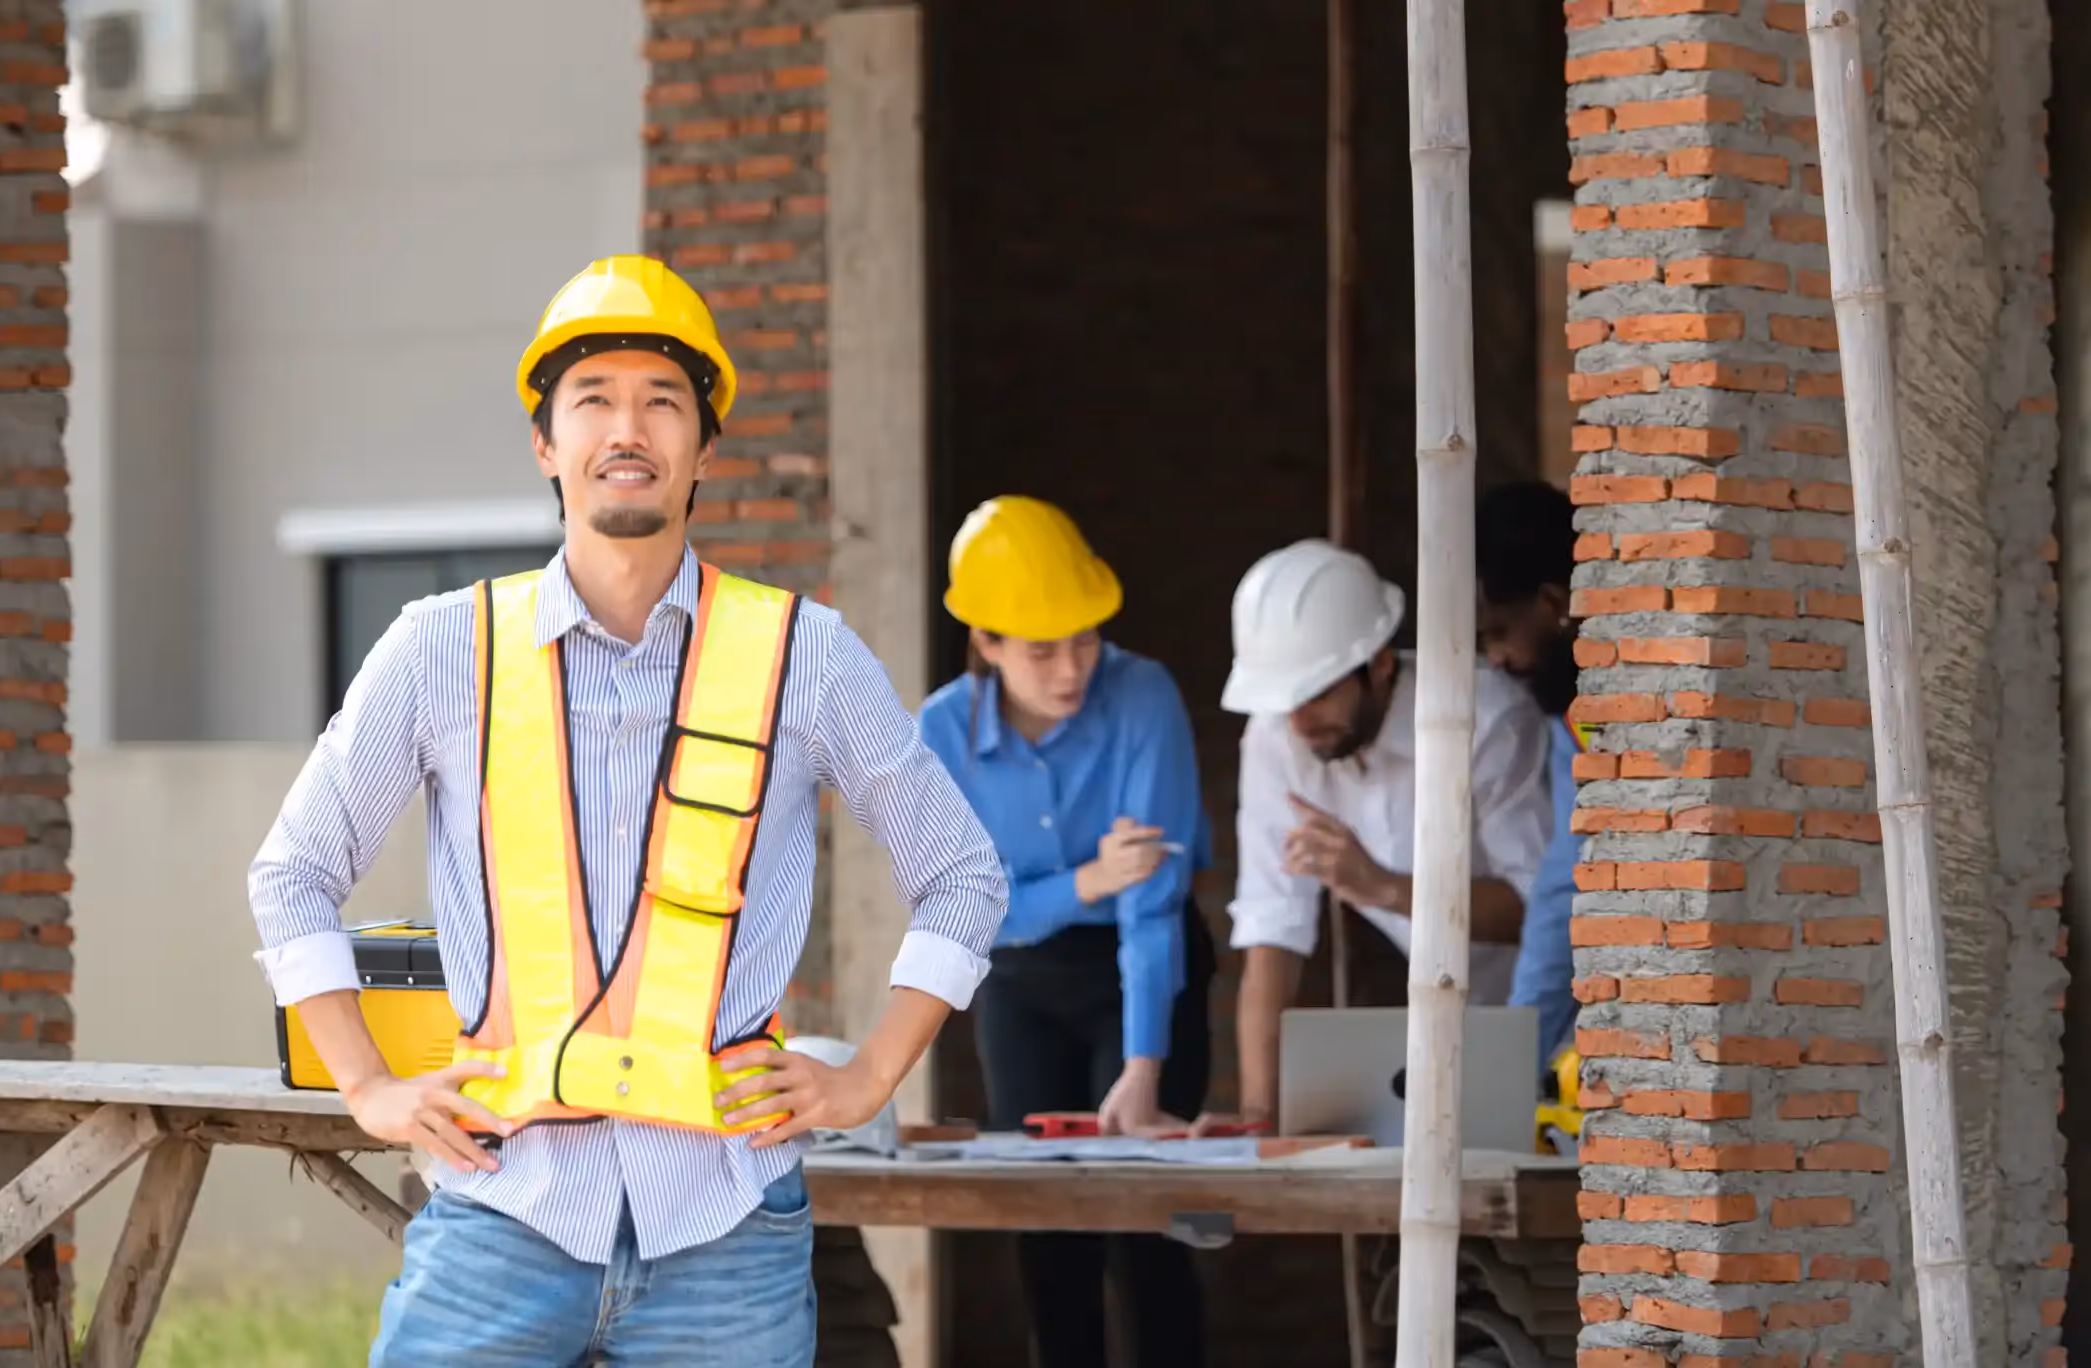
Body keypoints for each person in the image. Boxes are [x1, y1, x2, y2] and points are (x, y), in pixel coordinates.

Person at [247, 254, 1009, 1367]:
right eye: (593, 399)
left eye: (662, 401)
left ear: (704, 448)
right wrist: (365, 1086)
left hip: (727, 1231)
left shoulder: (805, 655)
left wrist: (871, 1076)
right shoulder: (442, 648)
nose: (627, 428)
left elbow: (964, 875)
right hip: (502, 1210)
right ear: (546, 444)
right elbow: (291, 874)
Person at [918, 495, 1214, 1368]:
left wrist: (1143, 1066)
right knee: (1048, 1232)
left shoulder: (1143, 696)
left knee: (1150, 1223)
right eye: (1041, 650)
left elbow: (1151, 901)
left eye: (1084, 640)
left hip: (1148, 967)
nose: (1071, 668)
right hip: (1020, 984)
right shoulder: (939, 732)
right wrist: (1086, 879)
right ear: (987, 642)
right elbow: (959, 909)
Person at [1191, 537, 1554, 1136]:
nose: (1298, 720)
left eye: (1316, 693)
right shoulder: (1277, 733)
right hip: (1435, 1027)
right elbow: (1271, 930)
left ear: (1381, 663)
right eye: (1282, 701)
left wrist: (1383, 887)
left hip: (1551, 1014)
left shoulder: (1487, 719)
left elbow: (1542, 910)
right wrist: (1258, 1120)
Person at [1475, 479, 1585, 1071]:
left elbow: (1565, 889)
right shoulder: (1567, 713)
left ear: (1552, 602)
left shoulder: (1627, 694)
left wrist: (1515, 1069)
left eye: (1498, 633)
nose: (1495, 661)